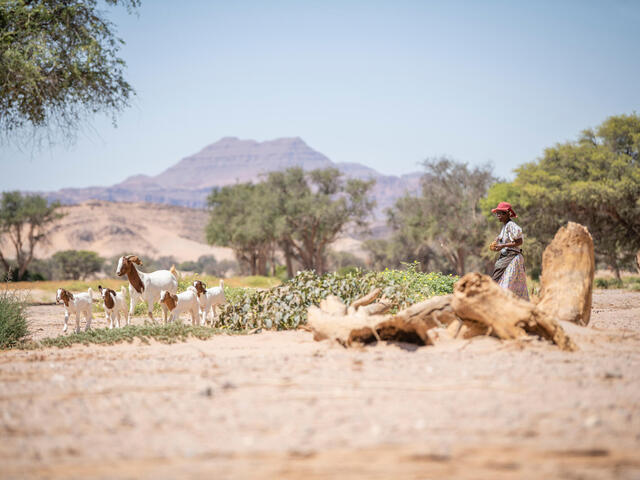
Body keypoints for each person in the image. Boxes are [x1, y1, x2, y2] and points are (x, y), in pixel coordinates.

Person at [489, 202, 529, 300]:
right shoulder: (505, 226)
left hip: (512, 258)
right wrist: (497, 242)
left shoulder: (511, 225)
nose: (498, 215)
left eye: (500, 213)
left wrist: (503, 245)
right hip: (509, 257)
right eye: (497, 213)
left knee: (501, 282)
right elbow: (503, 237)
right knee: (512, 285)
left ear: (507, 214)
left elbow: (519, 241)